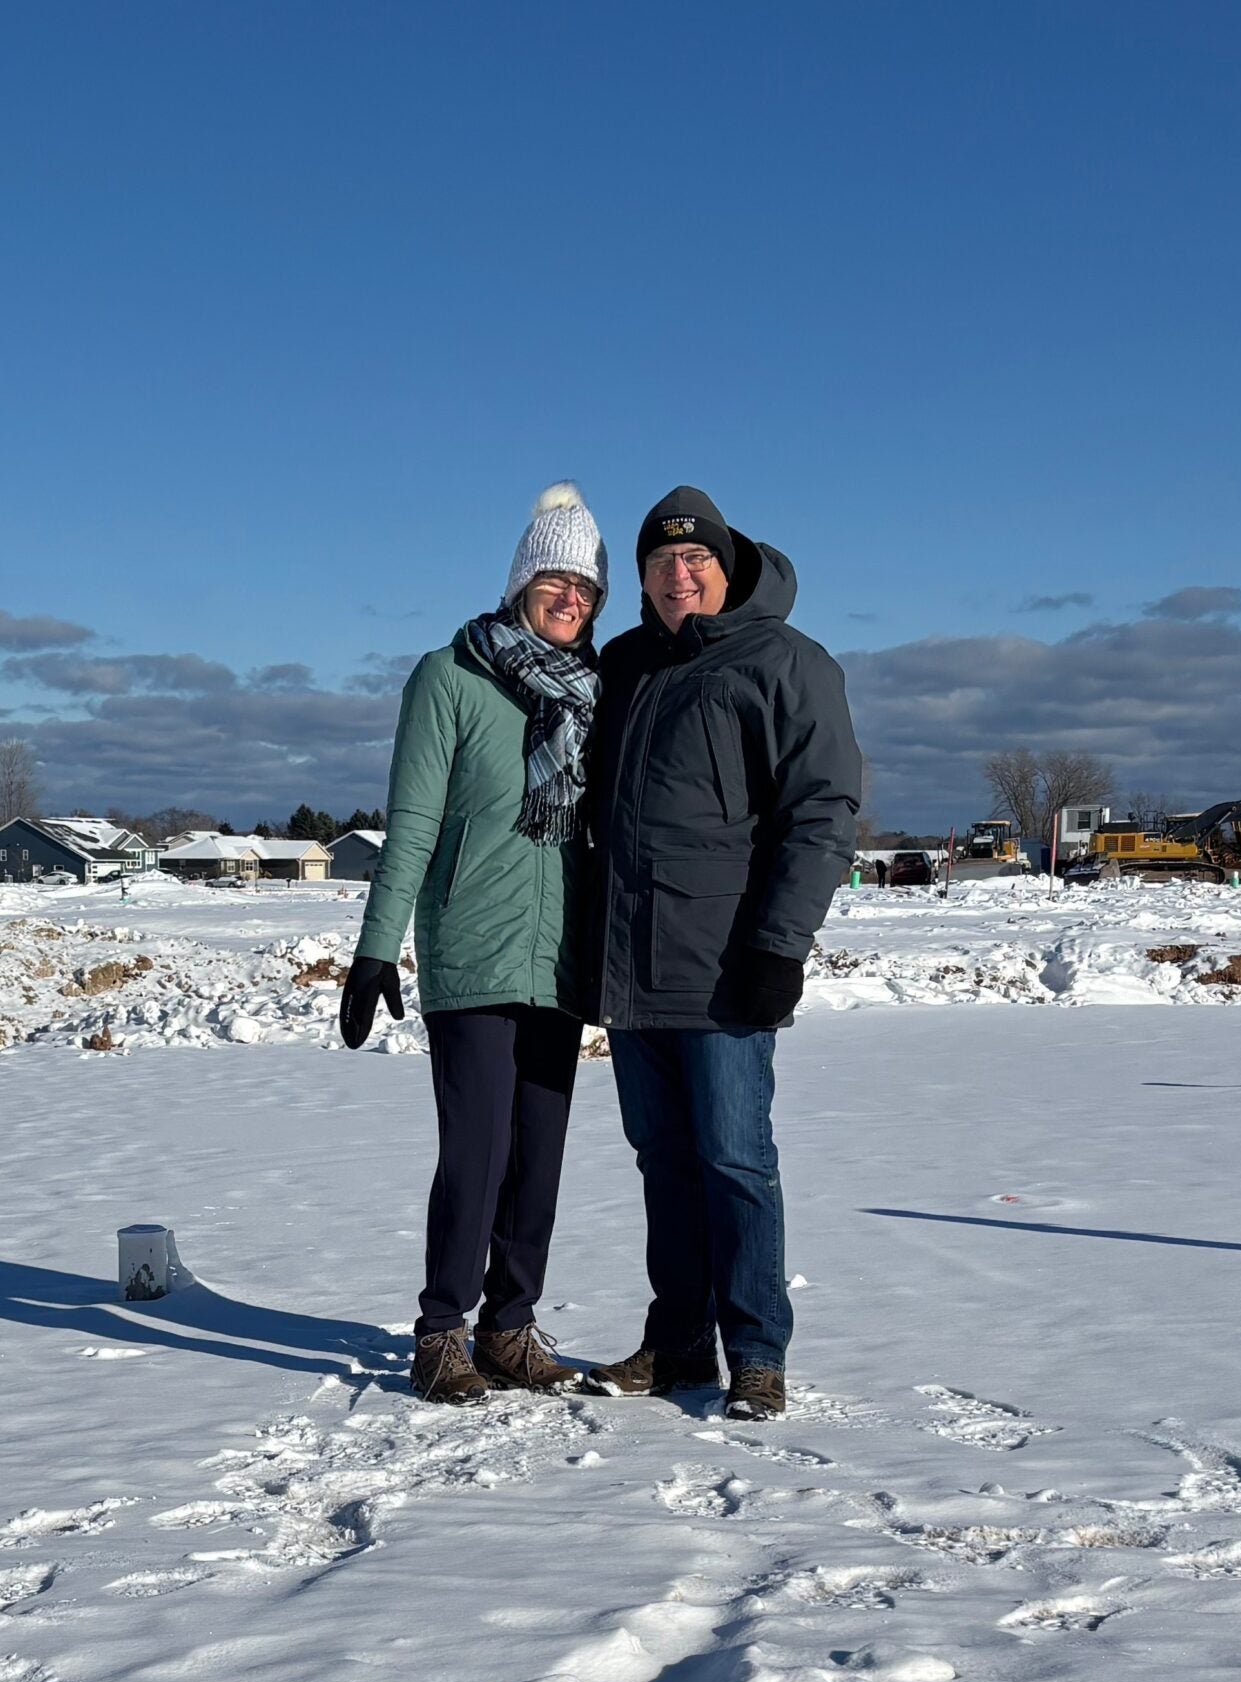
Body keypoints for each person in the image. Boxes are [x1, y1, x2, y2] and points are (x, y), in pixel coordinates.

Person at [580, 487, 860, 1419]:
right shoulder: (623, 665)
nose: (678, 574)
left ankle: (757, 1353)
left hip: (727, 965)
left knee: (737, 1159)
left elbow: (820, 812)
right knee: (664, 1161)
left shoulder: (785, 661)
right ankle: (677, 1345)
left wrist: (782, 944)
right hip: (633, 969)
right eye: (661, 563)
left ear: (728, 565)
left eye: (695, 559)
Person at [340, 483, 608, 1404]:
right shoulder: (448, 676)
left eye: (586, 586)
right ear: (521, 581)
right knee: (478, 1152)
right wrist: (377, 946)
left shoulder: (592, 694)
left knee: (540, 1155)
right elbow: (413, 822)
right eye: (555, 579)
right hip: (472, 950)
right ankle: (441, 1330)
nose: (570, 597)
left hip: (560, 960)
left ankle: (509, 1327)